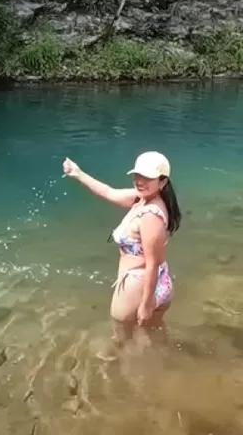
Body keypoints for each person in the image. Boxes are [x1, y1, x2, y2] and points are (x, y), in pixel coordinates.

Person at [63, 151, 182, 358]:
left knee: (120, 338)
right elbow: (108, 192)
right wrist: (78, 173)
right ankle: (167, 364)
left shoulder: (150, 215)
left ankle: (118, 376)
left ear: (162, 182)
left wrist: (146, 305)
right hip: (158, 283)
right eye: (137, 175)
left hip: (139, 285)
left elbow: (152, 263)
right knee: (153, 336)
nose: (139, 181)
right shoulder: (142, 199)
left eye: (147, 177)